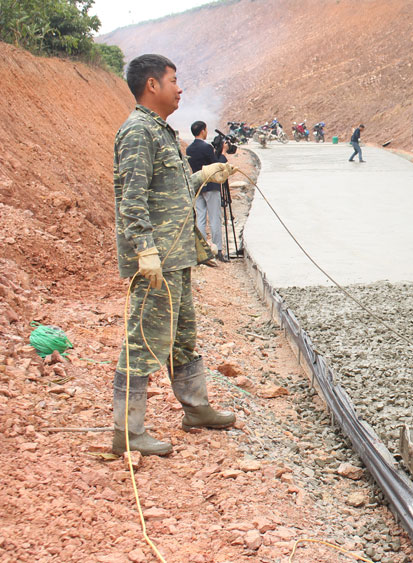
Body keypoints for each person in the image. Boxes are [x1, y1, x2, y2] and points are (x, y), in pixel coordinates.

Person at [112, 54, 237, 456]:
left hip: (177, 256)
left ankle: (196, 409)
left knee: (182, 338)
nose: (179, 88)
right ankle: (127, 432)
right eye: (174, 80)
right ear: (152, 85)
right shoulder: (137, 132)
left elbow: (172, 185)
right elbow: (131, 199)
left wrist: (204, 175)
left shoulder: (160, 131)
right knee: (143, 340)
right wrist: (144, 250)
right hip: (157, 262)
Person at [186, 120, 229, 262]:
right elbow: (217, 165)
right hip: (211, 185)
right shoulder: (207, 147)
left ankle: (203, 251)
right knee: (215, 218)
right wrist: (222, 152)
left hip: (198, 185)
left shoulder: (189, 149)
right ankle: (218, 250)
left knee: (201, 218)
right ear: (203, 130)